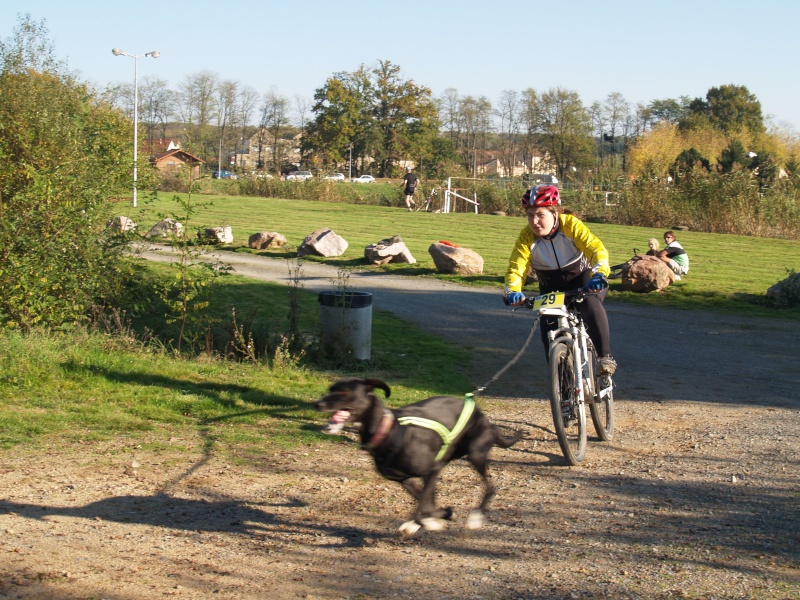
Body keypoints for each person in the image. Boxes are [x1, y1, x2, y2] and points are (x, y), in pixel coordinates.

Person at [503, 185, 617, 375]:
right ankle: (563, 393)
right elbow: (517, 267)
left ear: (554, 213)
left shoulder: (570, 225)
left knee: (588, 303)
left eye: (540, 215)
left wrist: (599, 274)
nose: (534, 221)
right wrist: (512, 291)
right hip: (551, 288)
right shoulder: (527, 237)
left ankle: (605, 357)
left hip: (584, 279)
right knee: (549, 331)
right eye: (530, 215)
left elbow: (596, 249)